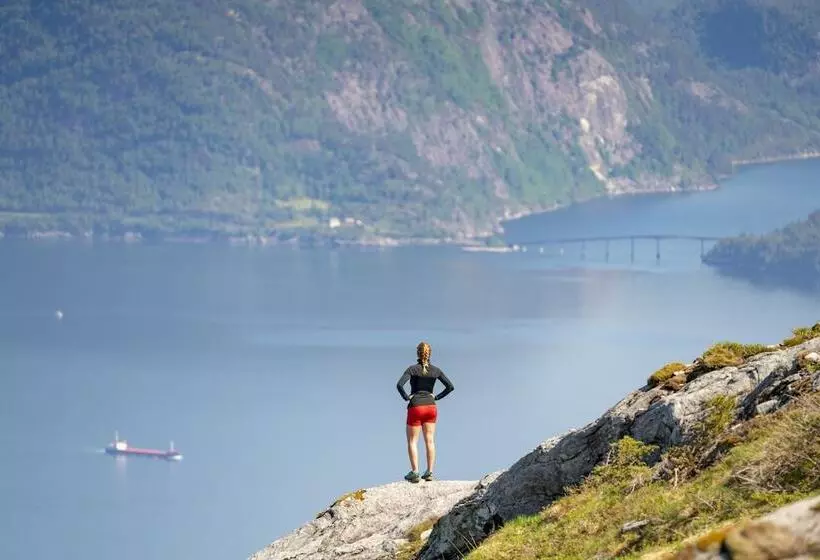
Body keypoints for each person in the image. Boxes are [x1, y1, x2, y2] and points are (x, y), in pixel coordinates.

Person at [396, 341, 454, 483]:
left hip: (416, 406)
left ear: (418, 353)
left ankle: (415, 472)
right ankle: (429, 472)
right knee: (430, 440)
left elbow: (399, 384)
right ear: (429, 354)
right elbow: (450, 386)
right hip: (431, 407)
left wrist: (406, 397)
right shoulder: (436, 370)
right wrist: (437, 397)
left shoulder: (412, 369)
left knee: (412, 441)